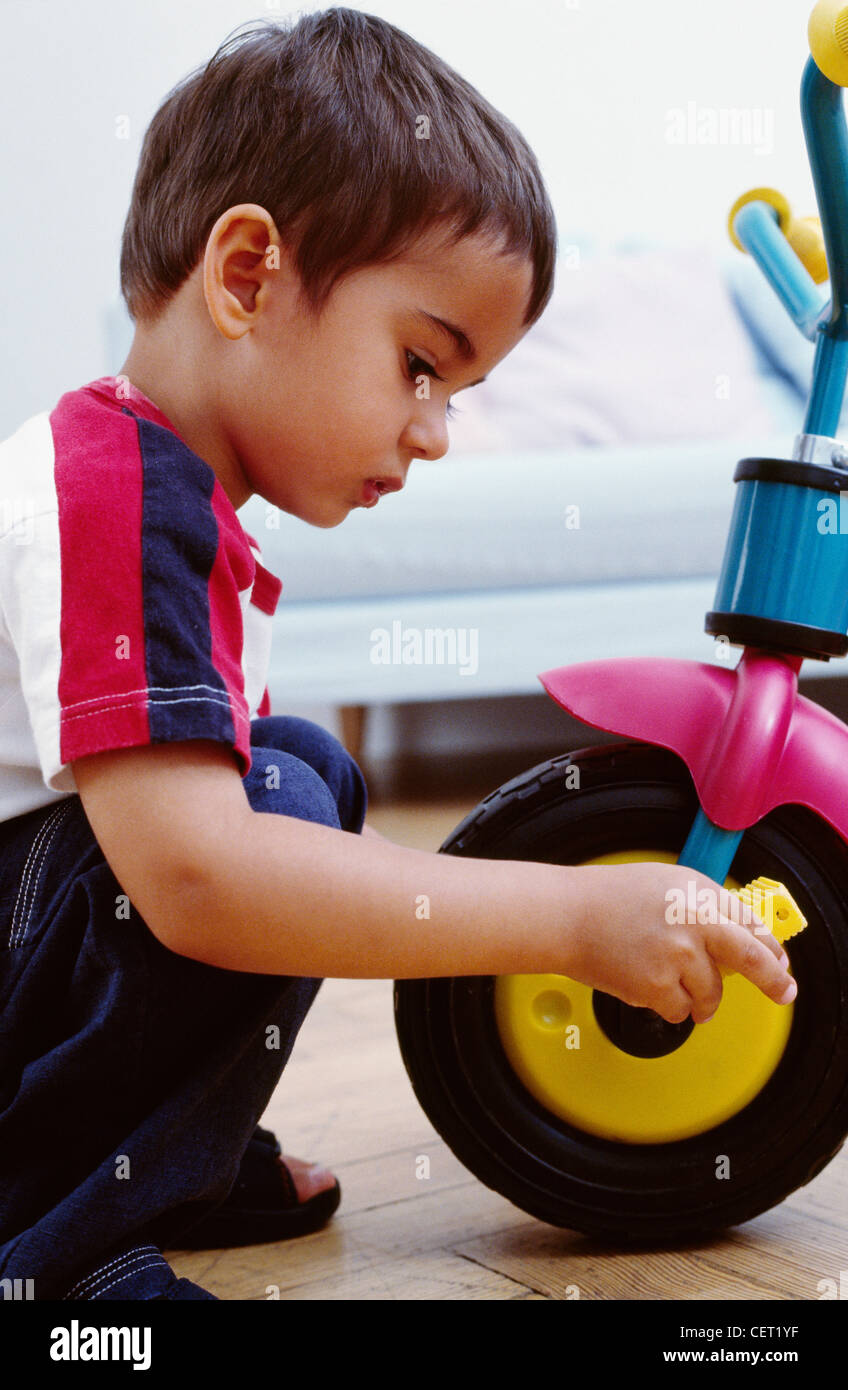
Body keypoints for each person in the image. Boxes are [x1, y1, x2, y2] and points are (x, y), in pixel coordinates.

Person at [0, 7, 796, 1303]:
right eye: (421, 364)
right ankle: (56, 1245)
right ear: (247, 275)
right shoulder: (115, 496)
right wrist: (569, 917)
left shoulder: (172, 498)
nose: (433, 433)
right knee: (271, 807)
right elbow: (193, 878)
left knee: (298, 768)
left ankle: (165, 1157)